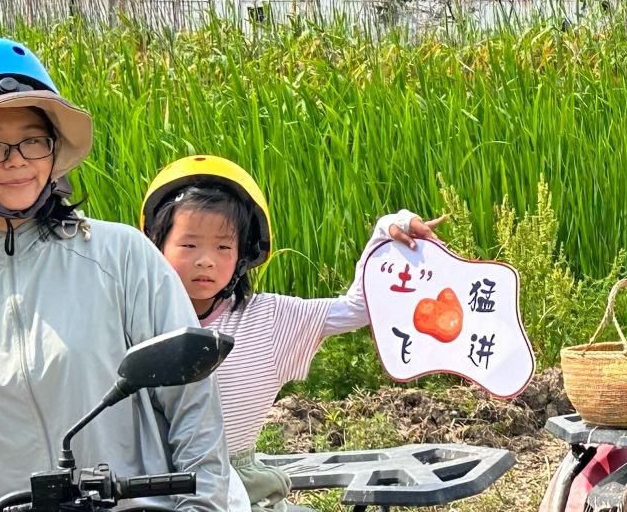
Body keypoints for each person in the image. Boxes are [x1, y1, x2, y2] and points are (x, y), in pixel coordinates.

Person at [0, 38, 237, 512]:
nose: (17, 159)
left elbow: (193, 407)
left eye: (32, 139)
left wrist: (203, 508)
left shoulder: (119, 255)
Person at [142, 155, 439, 511]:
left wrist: (386, 232)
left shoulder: (267, 320)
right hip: (152, 483)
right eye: (189, 245)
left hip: (243, 487)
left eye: (223, 247)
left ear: (244, 255)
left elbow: (358, 308)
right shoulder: (136, 317)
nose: (206, 260)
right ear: (156, 246)